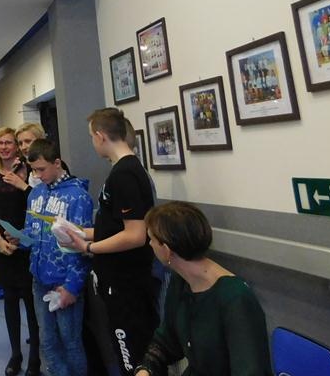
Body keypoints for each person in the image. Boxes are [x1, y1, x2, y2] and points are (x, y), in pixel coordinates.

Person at [65, 108, 157, 375]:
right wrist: (80, 232)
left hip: (126, 283)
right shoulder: (120, 171)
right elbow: (113, 227)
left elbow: (135, 234)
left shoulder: (125, 174)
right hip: (116, 281)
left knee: (132, 356)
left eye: (91, 137)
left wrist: (88, 247)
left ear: (100, 136)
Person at [134, 202, 273, 376]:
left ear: (167, 250)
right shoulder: (181, 281)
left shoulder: (235, 298)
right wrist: (145, 370)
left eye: (152, 240)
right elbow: (167, 341)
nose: (150, 244)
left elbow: (250, 370)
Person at [25, 138, 93, 376]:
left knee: (70, 341)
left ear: (57, 163)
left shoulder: (78, 197)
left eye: (41, 169)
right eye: (34, 170)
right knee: (47, 340)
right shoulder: (35, 194)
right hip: (39, 279)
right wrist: (18, 238)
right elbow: (32, 231)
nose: (38, 175)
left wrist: (72, 286)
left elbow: (82, 246)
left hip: (65, 281)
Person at [0, 127, 40, 376]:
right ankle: (15, 354)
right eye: (0, 143)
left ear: (16, 147)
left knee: (31, 303)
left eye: (9, 142)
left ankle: (35, 358)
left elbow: (37, 205)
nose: (4, 147)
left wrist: (22, 183)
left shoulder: (29, 171)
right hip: (4, 246)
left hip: (27, 244)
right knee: (9, 301)